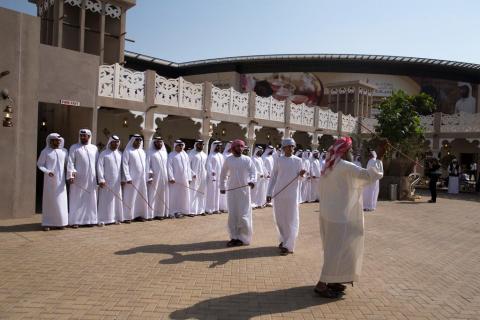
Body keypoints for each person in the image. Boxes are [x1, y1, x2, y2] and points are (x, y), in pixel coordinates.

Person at [315, 137, 383, 298]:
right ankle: (322, 284)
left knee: (339, 250)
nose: (352, 153)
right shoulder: (345, 166)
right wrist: (379, 157)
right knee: (335, 251)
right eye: (351, 150)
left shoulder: (329, 166)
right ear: (344, 152)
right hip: (340, 218)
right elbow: (369, 176)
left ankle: (334, 279)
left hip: (329, 216)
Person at [266, 138, 306, 255]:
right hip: (279, 194)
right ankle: (284, 240)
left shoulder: (298, 161)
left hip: (292, 196)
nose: (291, 149)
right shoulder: (279, 160)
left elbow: (301, 179)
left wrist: (302, 175)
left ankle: (289, 245)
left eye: (292, 146)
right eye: (289, 146)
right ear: (283, 148)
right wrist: (269, 193)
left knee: (291, 219)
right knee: (280, 219)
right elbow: (273, 177)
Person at [220, 139, 256, 247]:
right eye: (238, 146)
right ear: (233, 148)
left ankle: (243, 238)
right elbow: (223, 174)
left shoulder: (247, 159)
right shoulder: (228, 160)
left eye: (241, 146)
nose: (240, 148)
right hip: (232, 192)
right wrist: (222, 186)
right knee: (233, 215)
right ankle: (234, 237)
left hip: (244, 192)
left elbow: (253, 172)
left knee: (244, 215)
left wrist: (252, 181)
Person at [37, 133, 68, 231]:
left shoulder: (64, 151)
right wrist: (48, 171)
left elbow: (69, 164)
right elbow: (40, 164)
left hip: (61, 182)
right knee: (50, 202)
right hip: (49, 182)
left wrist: (71, 174)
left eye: (59, 140)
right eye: (56, 140)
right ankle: (47, 223)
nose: (58, 142)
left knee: (61, 202)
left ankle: (61, 223)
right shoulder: (45, 152)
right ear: (51, 141)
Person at [67, 129, 98, 227]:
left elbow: (97, 164)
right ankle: (76, 221)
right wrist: (71, 175)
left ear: (89, 137)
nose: (83, 137)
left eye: (85, 136)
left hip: (91, 179)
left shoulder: (94, 148)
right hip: (78, 179)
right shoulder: (74, 147)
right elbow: (70, 162)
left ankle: (90, 220)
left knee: (91, 199)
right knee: (77, 199)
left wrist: (99, 178)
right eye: (81, 136)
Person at [97, 135, 123, 225]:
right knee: (105, 200)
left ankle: (114, 218)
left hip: (117, 182)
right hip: (106, 181)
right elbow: (99, 167)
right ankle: (102, 219)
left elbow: (122, 168)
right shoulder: (103, 153)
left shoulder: (120, 154)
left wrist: (123, 179)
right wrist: (101, 179)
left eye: (117, 143)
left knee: (115, 200)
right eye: (113, 142)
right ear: (110, 143)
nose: (115, 144)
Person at [122, 134, 149, 222]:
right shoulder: (128, 151)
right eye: (136, 140)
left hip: (141, 179)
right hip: (131, 179)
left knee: (140, 197)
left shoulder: (142, 152)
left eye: (140, 141)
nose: (138, 142)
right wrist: (127, 177)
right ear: (133, 141)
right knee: (130, 197)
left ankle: (139, 215)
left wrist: (147, 176)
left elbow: (145, 165)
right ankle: (128, 216)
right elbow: (125, 165)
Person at [167, 140, 192, 218]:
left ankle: (184, 210)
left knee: (184, 195)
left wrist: (189, 177)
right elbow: (169, 167)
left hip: (185, 179)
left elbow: (188, 167)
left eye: (182, 145)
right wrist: (171, 177)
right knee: (175, 195)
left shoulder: (185, 155)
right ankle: (174, 211)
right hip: (175, 180)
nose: (181, 147)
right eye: (179, 145)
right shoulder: (171, 155)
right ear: (175, 146)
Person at [146, 136, 169, 219]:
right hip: (154, 178)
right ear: (154, 143)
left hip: (164, 177)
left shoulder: (164, 153)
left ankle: (161, 213)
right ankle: (151, 214)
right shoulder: (150, 153)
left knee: (163, 195)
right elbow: (147, 165)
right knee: (153, 194)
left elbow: (167, 166)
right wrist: (149, 176)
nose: (159, 143)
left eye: (160, 142)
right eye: (157, 142)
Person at [189, 140, 207, 216]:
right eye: (200, 144)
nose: (201, 146)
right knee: (193, 192)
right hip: (194, 177)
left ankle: (201, 210)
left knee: (202, 193)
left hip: (203, 176)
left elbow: (205, 166)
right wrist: (192, 173)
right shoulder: (191, 154)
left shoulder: (204, 155)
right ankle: (192, 211)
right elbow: (187, 165)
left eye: (202, 144)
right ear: (196, 145)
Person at [205, 141, 223, 214]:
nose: (219, 148)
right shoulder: (211, 155)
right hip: (213, 178)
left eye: (219, 146)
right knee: (211, 193)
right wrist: (212, 173)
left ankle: (216, 208)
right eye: (217, 146)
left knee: (217, 193)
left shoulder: (221, 156)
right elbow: (208, 166)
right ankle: (209, 209)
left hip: (220, 177)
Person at [219, 141, 232, 213]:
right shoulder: (224, 155)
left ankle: (228, 206)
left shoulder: (233, 155)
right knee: (224, 191)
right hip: (225, 176)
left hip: (231, 176)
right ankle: (222, 207)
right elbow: (223, 167)